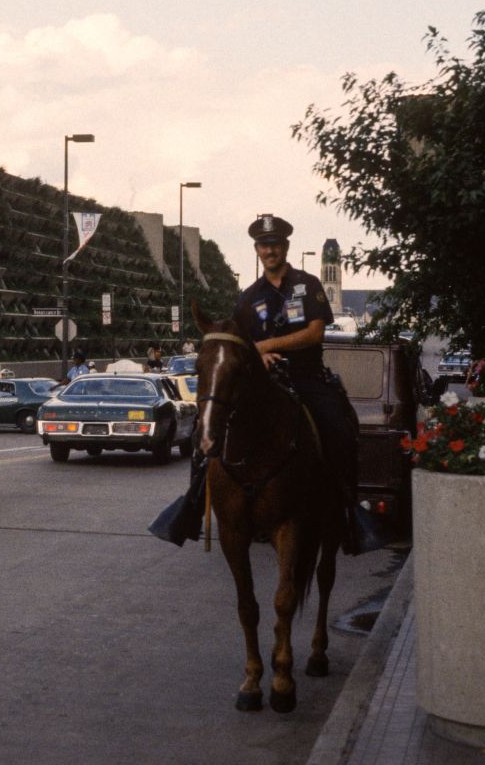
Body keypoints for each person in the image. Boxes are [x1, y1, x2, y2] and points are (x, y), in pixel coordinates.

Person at [149, 213, 381, 555]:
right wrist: (254, 357)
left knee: (339, 429)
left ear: (285, 246)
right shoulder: (247, 298)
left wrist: (266, 347)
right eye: (263, 245)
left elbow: (315, 333)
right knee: (207, 433)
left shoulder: (309, 285)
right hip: (262, 382)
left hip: (306, 378)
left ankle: (349, 512)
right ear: (257, 250)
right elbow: (238, 346)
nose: (269, 250)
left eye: (275, 244)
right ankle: (192, 506)